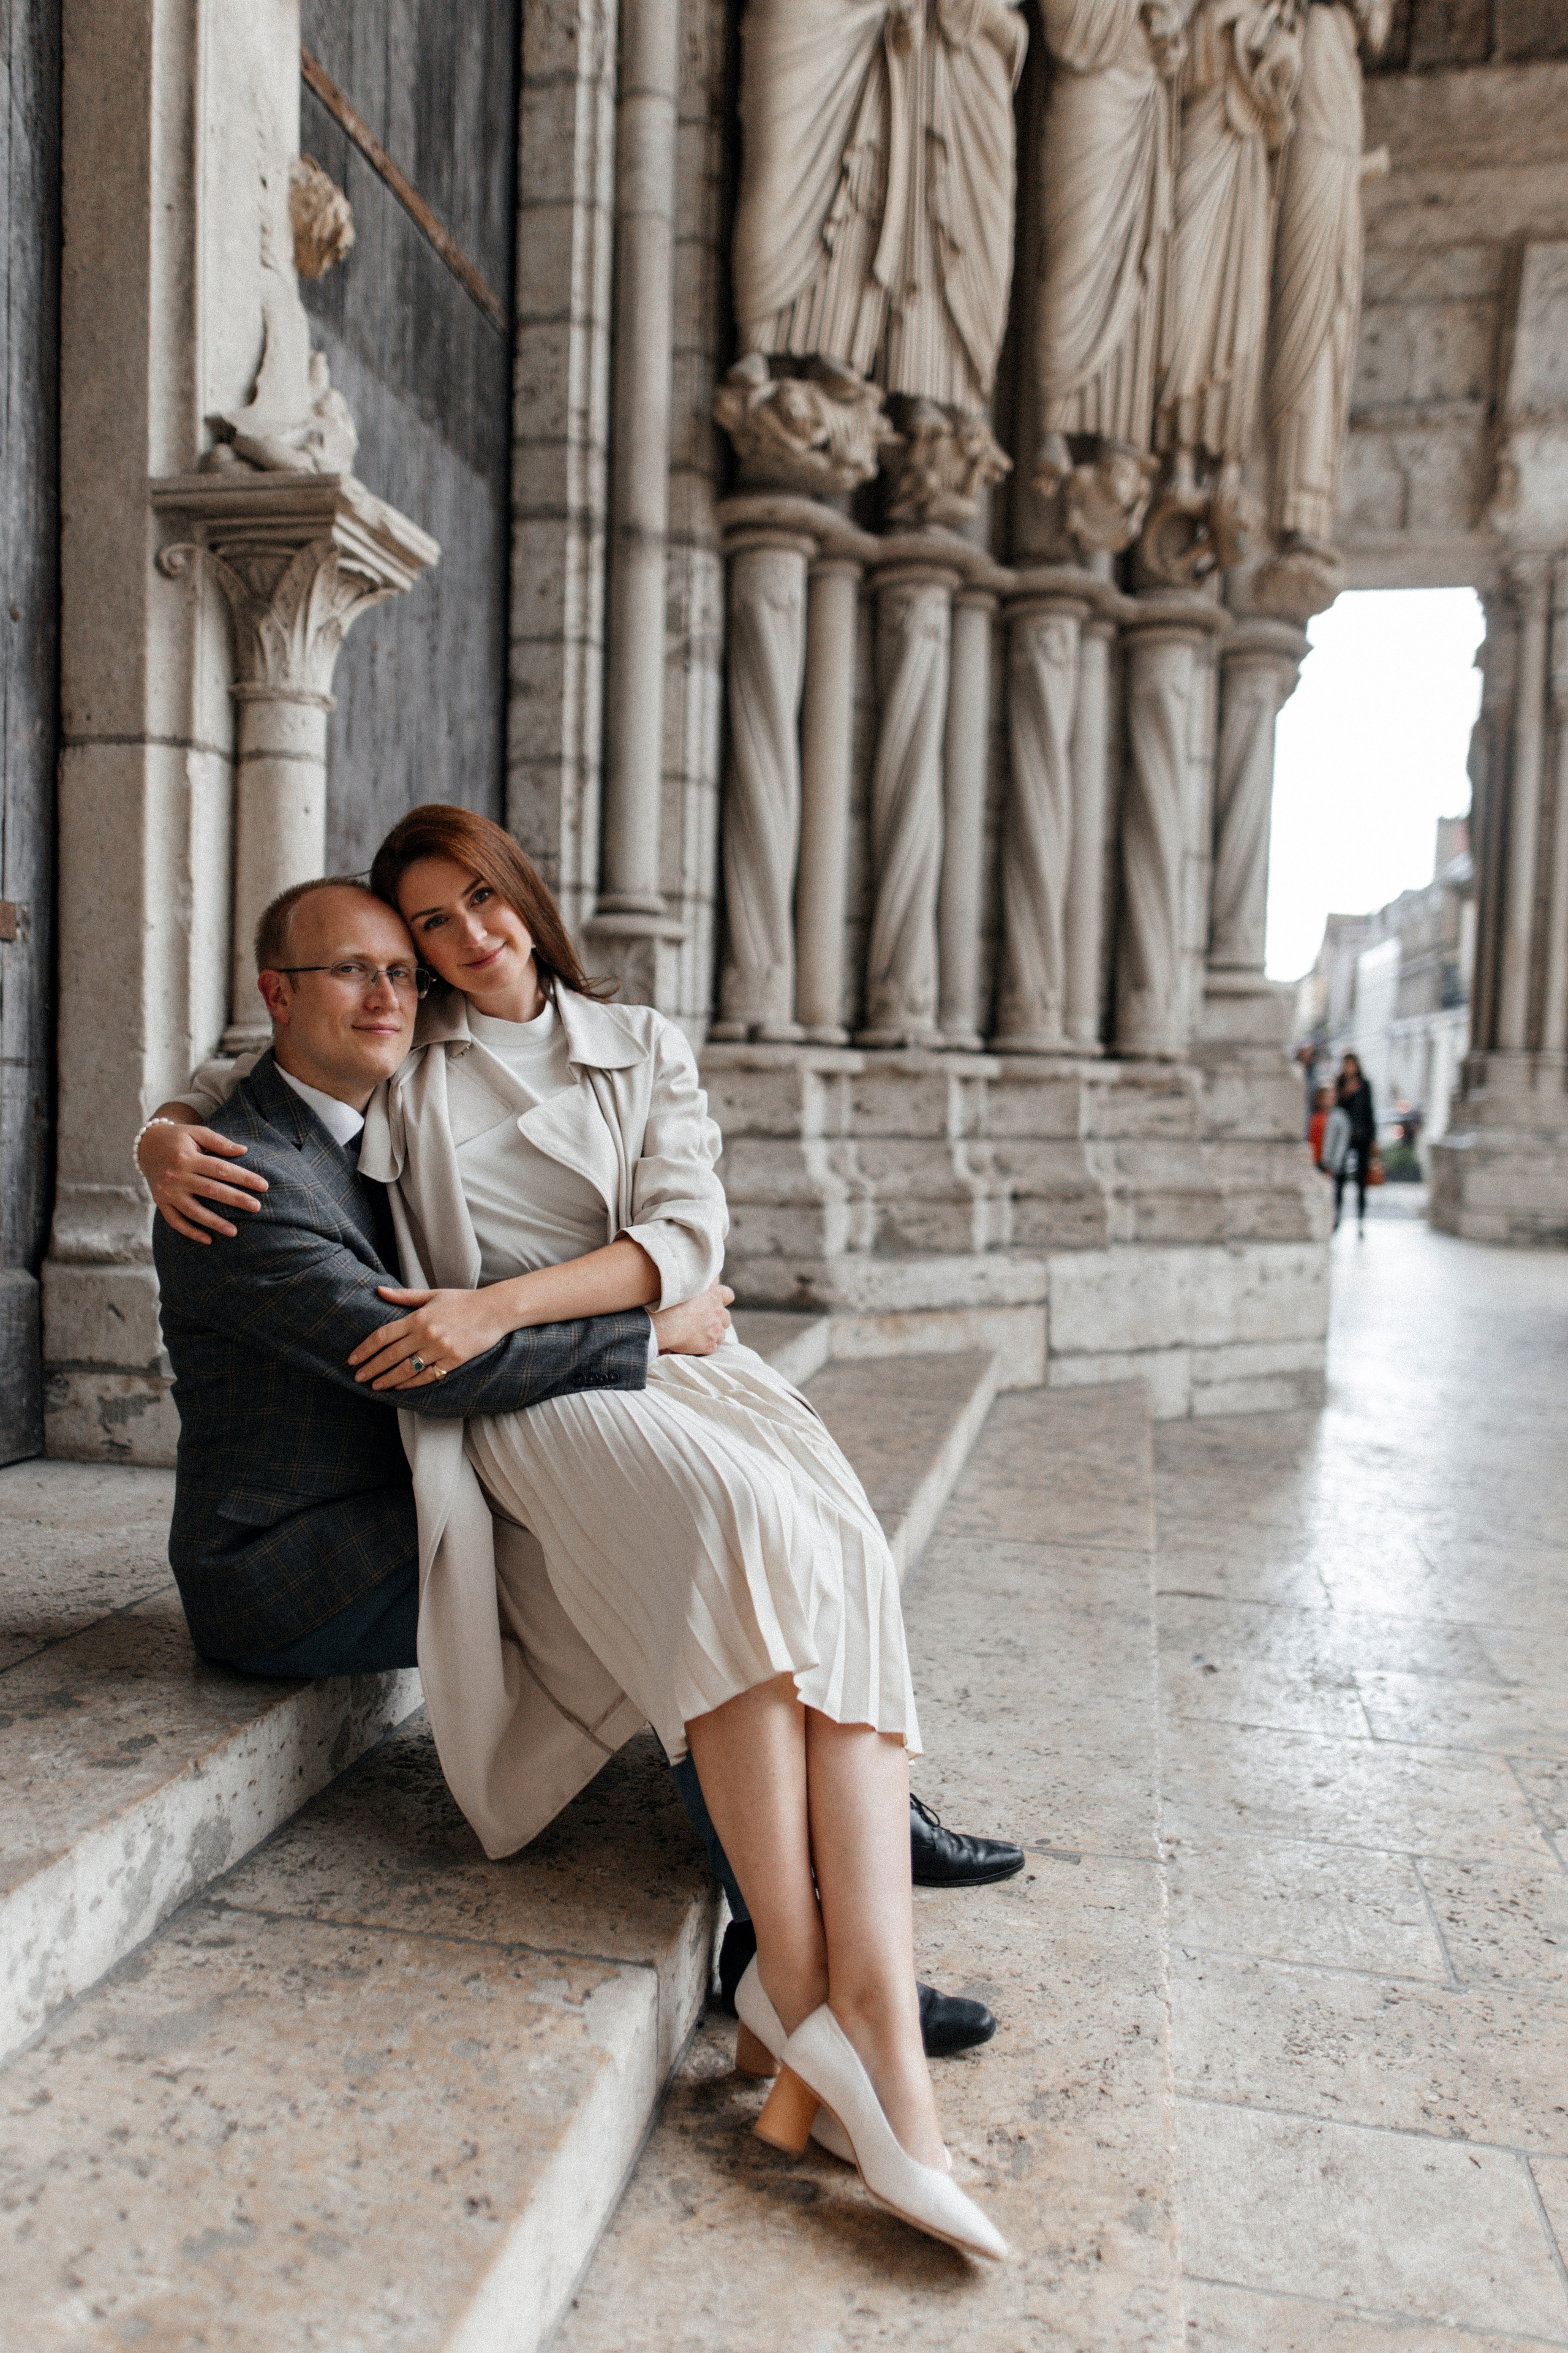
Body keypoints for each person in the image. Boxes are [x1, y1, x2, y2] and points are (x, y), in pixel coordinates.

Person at [140, 814, 1011, 2260]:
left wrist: (613, 1308)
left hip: (545, 1387)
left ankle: (822, 1970)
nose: (429, 963)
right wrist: (154, 1137)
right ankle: (787, 1954)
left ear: (522, 903)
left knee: (809, 1532)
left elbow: (682, 1221)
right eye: (410, 939)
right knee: (691, 1547)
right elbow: (266, 1125)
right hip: (382, 1486)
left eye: (464, 916)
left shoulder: (557, 1046)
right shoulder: (326, 1109)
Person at [1333, 1052, 1378, 1233]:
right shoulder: (1339, 1084)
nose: (1349, 1068)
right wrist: (1346, 1093)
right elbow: (1335, 1108)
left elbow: (1369, 1111)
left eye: (1352, 1065)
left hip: (1362, 1136)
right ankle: (1337, 1216)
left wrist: (1373, 1138)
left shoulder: (1365, 1085)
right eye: (1346, 1065)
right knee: (1340, 1178)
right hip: (1344, 1137)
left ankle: (1361, 1220)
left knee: (1361, 1179)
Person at [1308, 1083, 1334, 1169]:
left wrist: (1333, 1165)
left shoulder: (1337, 1118)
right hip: (1312, 1158)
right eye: (1324, 1097)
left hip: (1327, 1161)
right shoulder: (1313, 1116)